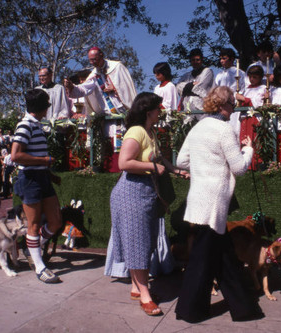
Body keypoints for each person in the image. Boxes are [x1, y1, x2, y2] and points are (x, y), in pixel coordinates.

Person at [174, 86, 262, 323]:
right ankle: (189, 310)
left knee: (223, 255)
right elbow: (239, 168)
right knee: (202, 258)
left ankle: (243, 307)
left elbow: (182, 160)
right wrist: (249, 150)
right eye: (233, 103)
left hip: (199, 196)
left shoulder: (197, 127)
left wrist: (203, 167)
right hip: (215, 200)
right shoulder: (224, 129)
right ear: (223, 105)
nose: (234, 107)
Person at [109, 92, 186, 316]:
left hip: (144, 194)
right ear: (148, 111)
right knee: (138, 243)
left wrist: (176, 171)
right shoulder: (136, 131)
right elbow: (124, 162)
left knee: (144, 241)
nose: (161, 111)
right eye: (158, 108)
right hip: (131, 194)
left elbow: (159, 158)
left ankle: (136, 287)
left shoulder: (149, 132)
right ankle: (145, 295)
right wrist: (152, 169)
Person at [11, 88, 63, 284]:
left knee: (55, 221)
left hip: (42, 177)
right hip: (30, 179)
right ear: (41, 107)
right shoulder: (25, 125)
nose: (48, 109)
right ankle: (40, 266)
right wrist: (45, 159)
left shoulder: (37, 125)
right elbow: (16, 155)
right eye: (47, 105)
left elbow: (34, 157)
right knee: (33, 224)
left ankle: (32, 248)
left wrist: (49, 173)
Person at [65, 47, 137, 172]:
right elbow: (83, 89)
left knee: (123, 143)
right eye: (90, 60)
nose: (92, 63)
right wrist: (72, 87)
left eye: (94, 59)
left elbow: (126, 89)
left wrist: (114, 88)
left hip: (123, 115)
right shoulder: (94, 75)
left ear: (102, 55)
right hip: (106, 117)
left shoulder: (117, 67)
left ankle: (123, 170)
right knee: (107, 144)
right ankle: (108, 171)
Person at [230, 65, 267, 169]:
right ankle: (244, 163)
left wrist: (244, 99)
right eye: (250, 77)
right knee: (244, 139)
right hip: (245, 118)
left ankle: (255, 164)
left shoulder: (263, 88)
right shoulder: (246, 89)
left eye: (254, 77)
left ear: (260, 77)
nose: (252, 79)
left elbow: (258, 103)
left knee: (254, 140)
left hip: (255, 117)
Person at [176, 48, 214, 112]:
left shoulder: (207, 72)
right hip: (187, 107)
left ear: (202, 60)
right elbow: (178, 87)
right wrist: (191, 85)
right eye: (193, 60)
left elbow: (201, 88)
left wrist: (186, 88)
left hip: (202, 108)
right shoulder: (187, 75)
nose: (195, 62)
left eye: (197, 60)